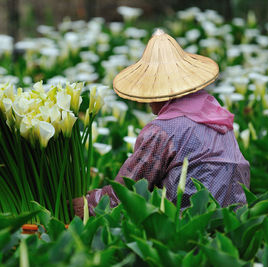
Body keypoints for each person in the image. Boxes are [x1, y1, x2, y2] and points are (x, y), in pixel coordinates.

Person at [73, 29, 250, 217]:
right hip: (234, 221)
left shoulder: (163, 130)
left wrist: (85, 204)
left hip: (185, 224)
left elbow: (130, 189)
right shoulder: (217, 118)